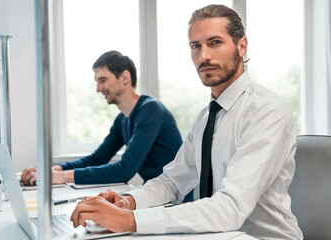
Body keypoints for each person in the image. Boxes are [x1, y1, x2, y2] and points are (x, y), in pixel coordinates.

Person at [69, 4, 303, 240]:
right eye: (196, 46)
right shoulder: (207, 117)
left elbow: (230, 208)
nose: (204, 56)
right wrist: (128, 202)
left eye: (215, 42)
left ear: (242, 46)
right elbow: (172, 182)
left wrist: (129, 221)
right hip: (214, 235)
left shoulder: (267, 111)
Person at [21, 51, 193, 201]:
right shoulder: (122, 119)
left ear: (125, 77)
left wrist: (62, 177)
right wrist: (55, 169)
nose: (98, 88)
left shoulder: (151, 110)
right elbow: (97, 159)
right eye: (97, 81)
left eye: (102, 80)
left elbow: (125, 170)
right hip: (158, 195)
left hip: (180, 199)